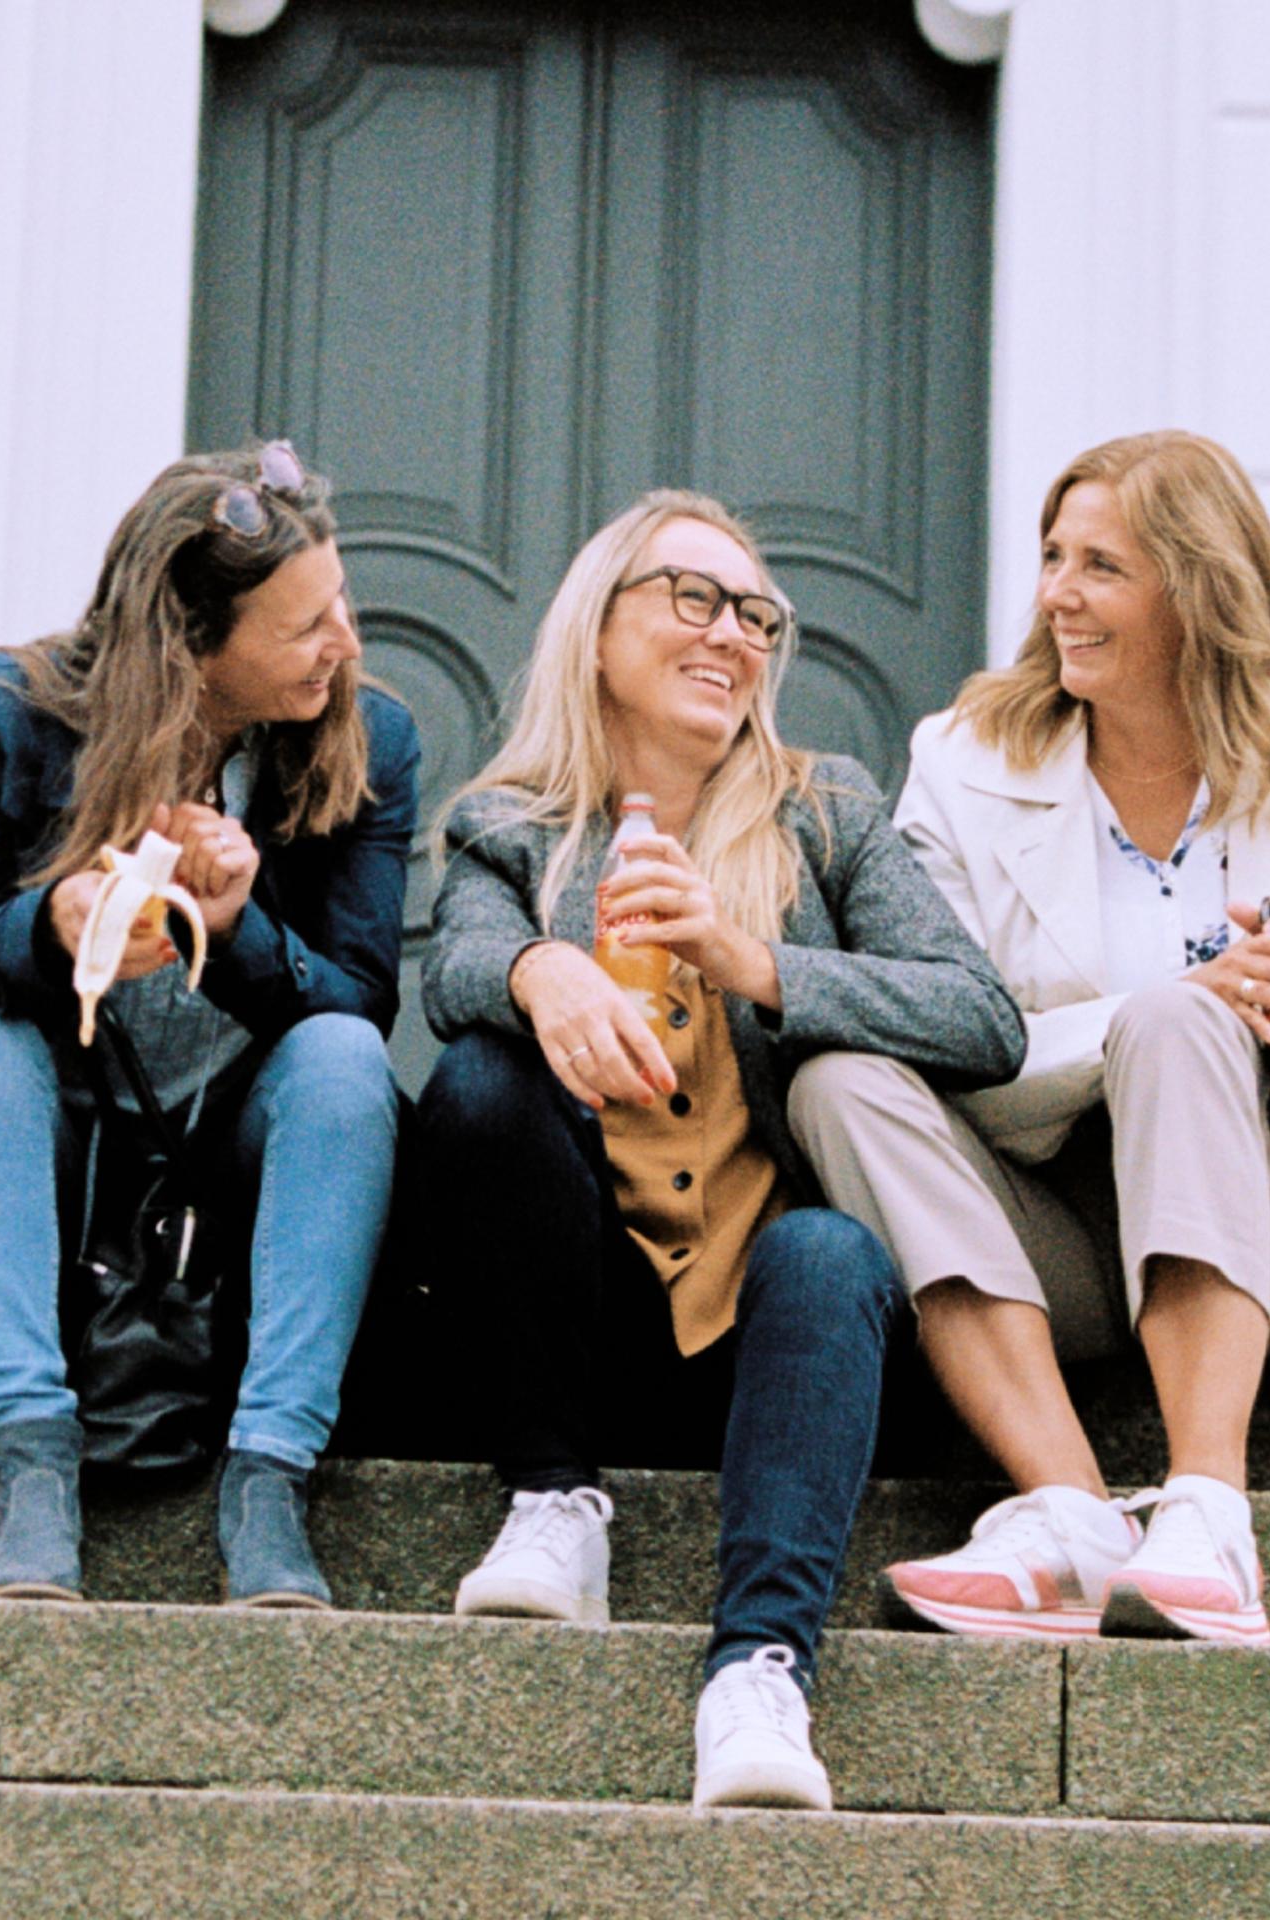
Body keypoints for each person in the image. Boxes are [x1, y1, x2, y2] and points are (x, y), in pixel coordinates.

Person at [789, 429, 1270, 1648]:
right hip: (1045, 1219)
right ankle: (1065, 1510)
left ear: (1197, 588)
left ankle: (1210, 1514)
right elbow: (954, 1034)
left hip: (1267, 1229)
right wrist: (1179, 996)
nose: (1057, 591)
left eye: (1100, 565)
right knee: (840, 1081)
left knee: (1183, 1022)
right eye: (1054, 556)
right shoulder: (961, 760)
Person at [417, 490, 1024, 1811]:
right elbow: (452, 969)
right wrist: (539, 971)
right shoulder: (510, 830)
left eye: (756, 614)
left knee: (828, 1246)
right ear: (599, 630)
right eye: (691, 596)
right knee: (476, 1082)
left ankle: (760, 1671)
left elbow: (984, 1018)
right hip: (594, 1327)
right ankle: (554, 1504)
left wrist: (759, 964)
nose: (732, 633)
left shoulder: (830, 818)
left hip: (786, 1338)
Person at [0, 441, 417, 1610]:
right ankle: (30, 1469)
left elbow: (361, 1001)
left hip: (235, 1144)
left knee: (340, 1056)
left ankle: (271, 1481)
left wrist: (237, 936)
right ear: (191, 644)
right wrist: (53, 924)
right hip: (60, 1131)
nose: (342, 644)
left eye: (341, 605)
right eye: (303, 628)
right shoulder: (12, 709)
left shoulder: (371, 742)